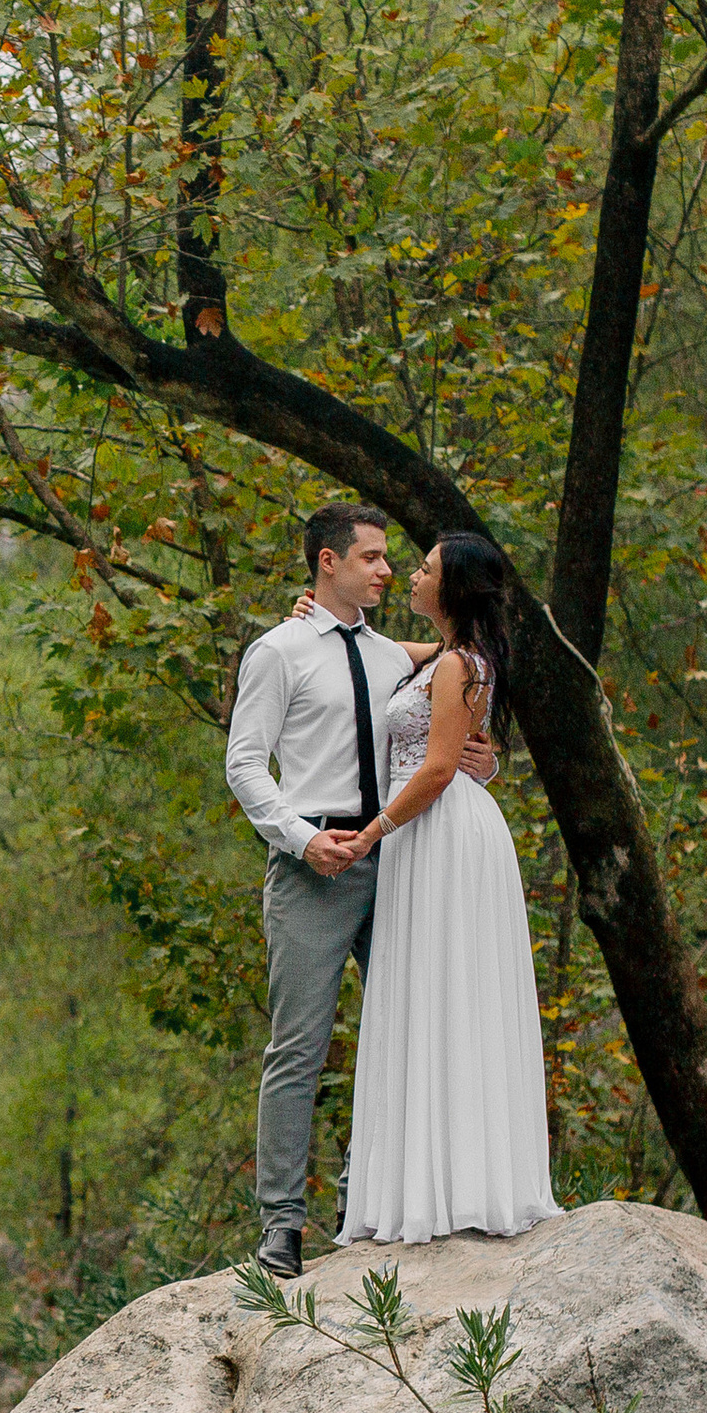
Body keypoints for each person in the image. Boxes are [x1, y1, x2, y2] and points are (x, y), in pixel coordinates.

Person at [224, 502, 497, 1277]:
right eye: (372, 558)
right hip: (313, 863)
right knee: (299, 1048)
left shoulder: (390, 655)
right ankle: (281, 1225)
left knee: (404, 1033)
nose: (386, 569)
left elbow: (465, 669)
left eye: (391, 561)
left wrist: (488, 756)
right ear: (327, 564)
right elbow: (244, 764)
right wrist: (302, 838)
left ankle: (367, 1199)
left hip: (404, 862)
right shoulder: (277, 652)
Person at [326, 533, 562, 1244]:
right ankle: (435, 1177)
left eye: (425, 568)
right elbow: (380, 651)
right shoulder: (449, 656)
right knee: (430, 991)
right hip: (429, 832)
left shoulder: (460, 662)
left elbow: (434, 770)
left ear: (452, 588)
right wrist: (317, 615)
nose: (411, 574)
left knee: (448, 989)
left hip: (435, 828)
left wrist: (370, 833)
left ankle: (455, 1185)